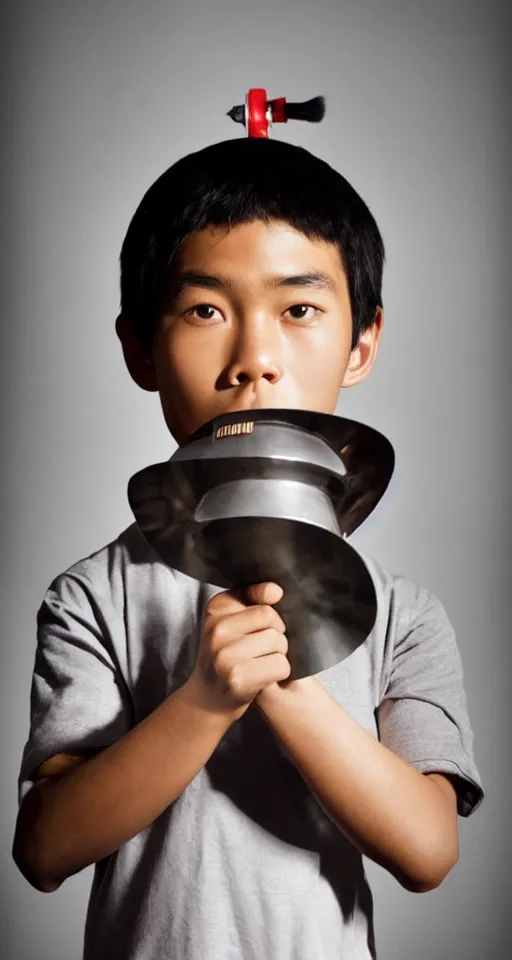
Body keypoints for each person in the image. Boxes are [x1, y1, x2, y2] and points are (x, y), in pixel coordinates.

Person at [12, 133, 484, 960]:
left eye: (298, 309)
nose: (254, 360)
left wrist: (288, 688)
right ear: (138, 349)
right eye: (205, 310)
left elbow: (428, 851)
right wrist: (204, 699)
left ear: (363, 341)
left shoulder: (404, 612)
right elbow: (46, 850)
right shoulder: (93, 594)